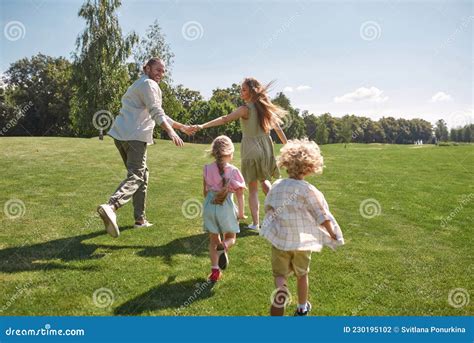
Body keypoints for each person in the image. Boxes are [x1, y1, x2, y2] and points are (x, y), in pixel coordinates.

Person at [97, 57, 197, 238]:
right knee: (136, 175)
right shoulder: (149, 84)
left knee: (143, 175)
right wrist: (171, 133)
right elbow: (156, 112)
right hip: (134, 136)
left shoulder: (139, 84)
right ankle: (111, 206)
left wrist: (181, 127)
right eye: (158, 69)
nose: (161, 74)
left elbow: (161, 113)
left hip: (122, 135)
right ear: (148, 68)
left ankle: (140, 220)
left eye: (163, 71)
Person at [260, 138, 344, 316]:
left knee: (279, 274)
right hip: (302, 243)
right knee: (302, 274)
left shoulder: (278, 186)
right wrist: (332, 233)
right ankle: (302, 307)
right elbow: (322, 215)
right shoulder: (309, 190)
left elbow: (270, 205)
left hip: (280, 240)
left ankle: (281, 290)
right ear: (310, 167)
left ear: (286, 163)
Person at [196, 77, 288, 230]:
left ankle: (256, 224)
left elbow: (225, 119)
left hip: (251, 149)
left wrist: (202, 125)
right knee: (265, 181)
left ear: (252, 91)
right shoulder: (264, 109)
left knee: (252, 188)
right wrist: (288, 146)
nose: (241, 92)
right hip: (266, 147)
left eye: (244, 90)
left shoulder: (245, 109)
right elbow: (278, 129)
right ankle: (280, 214)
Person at [203, 135, 246, 282]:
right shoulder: (234, 171)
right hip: (225, 207)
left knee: (213, 240)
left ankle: (215, 272)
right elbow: (240, 193)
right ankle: (225, 246)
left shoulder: (207, 168)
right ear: (229, 154)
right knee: (231, 237)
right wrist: (241, 213)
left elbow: (205, 192)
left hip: (210, 205)